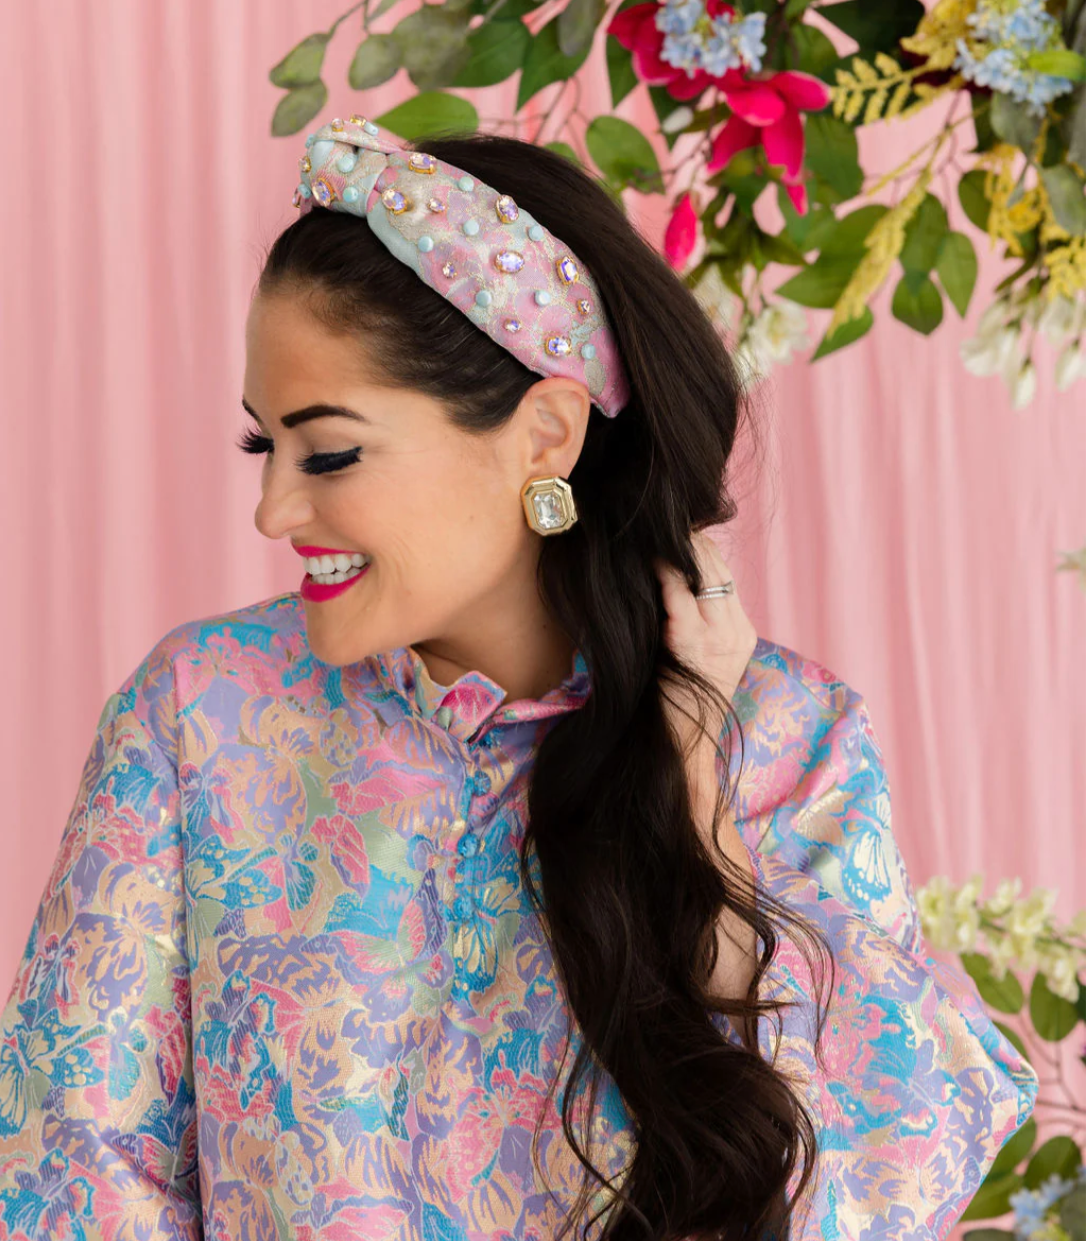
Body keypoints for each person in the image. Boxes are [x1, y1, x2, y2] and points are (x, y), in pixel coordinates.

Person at [0, 114, 1037, 1241]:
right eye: (265, 447)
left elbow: (873, 1182)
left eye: (329, 452)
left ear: (544, 435)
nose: (275, 510)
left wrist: (701, 809)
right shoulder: (200, 716)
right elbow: (69, 1165)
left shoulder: (787, 740)